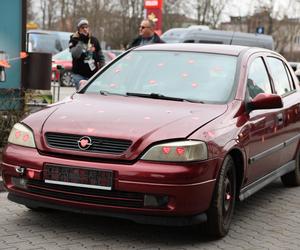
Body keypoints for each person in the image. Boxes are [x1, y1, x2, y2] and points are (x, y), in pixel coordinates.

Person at [69, 18, 105, 90]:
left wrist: (102, 69)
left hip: (92, 75)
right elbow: (75, 55)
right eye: (82, 28)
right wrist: (81, 41)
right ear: (79, 29)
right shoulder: (74, 39)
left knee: (92, 95)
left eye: (86, 27)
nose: (85, 29)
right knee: (83, 93)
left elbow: (101, 56)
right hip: (79, 75)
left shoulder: (94, 40)